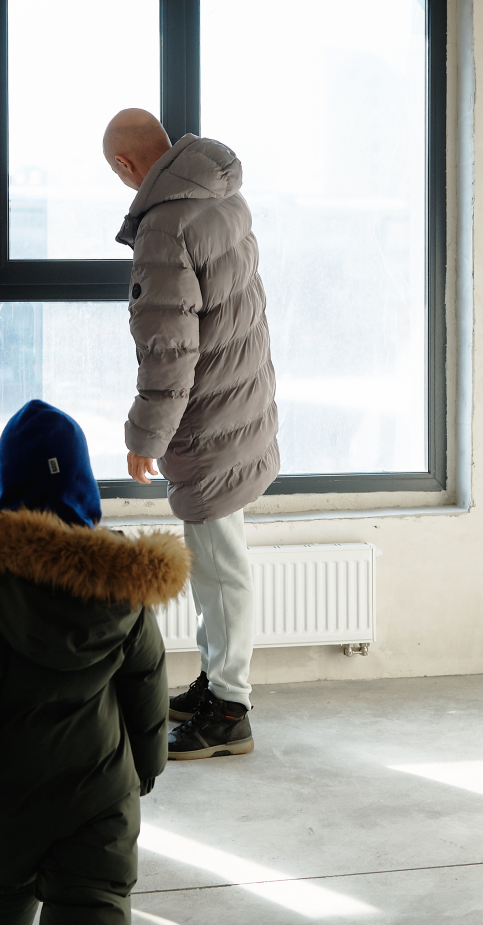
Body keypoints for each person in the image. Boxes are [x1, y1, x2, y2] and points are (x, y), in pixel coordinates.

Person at [0, 399, 188, 925]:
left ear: (10, 493)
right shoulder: (123, 588)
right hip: (98, 804)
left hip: (1, 807)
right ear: (86, 488)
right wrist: (148, 761)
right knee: (95, 907)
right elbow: (146, 679)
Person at [102, 108, 280, 761]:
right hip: (241, 402)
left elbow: (169, 346)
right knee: (216, 562)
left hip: (209, 419)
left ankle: (229, 710)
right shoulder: (221, 195)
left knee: (220, 569)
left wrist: (145, 437)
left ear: (126, 165)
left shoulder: (164, 224)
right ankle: (217, 682)